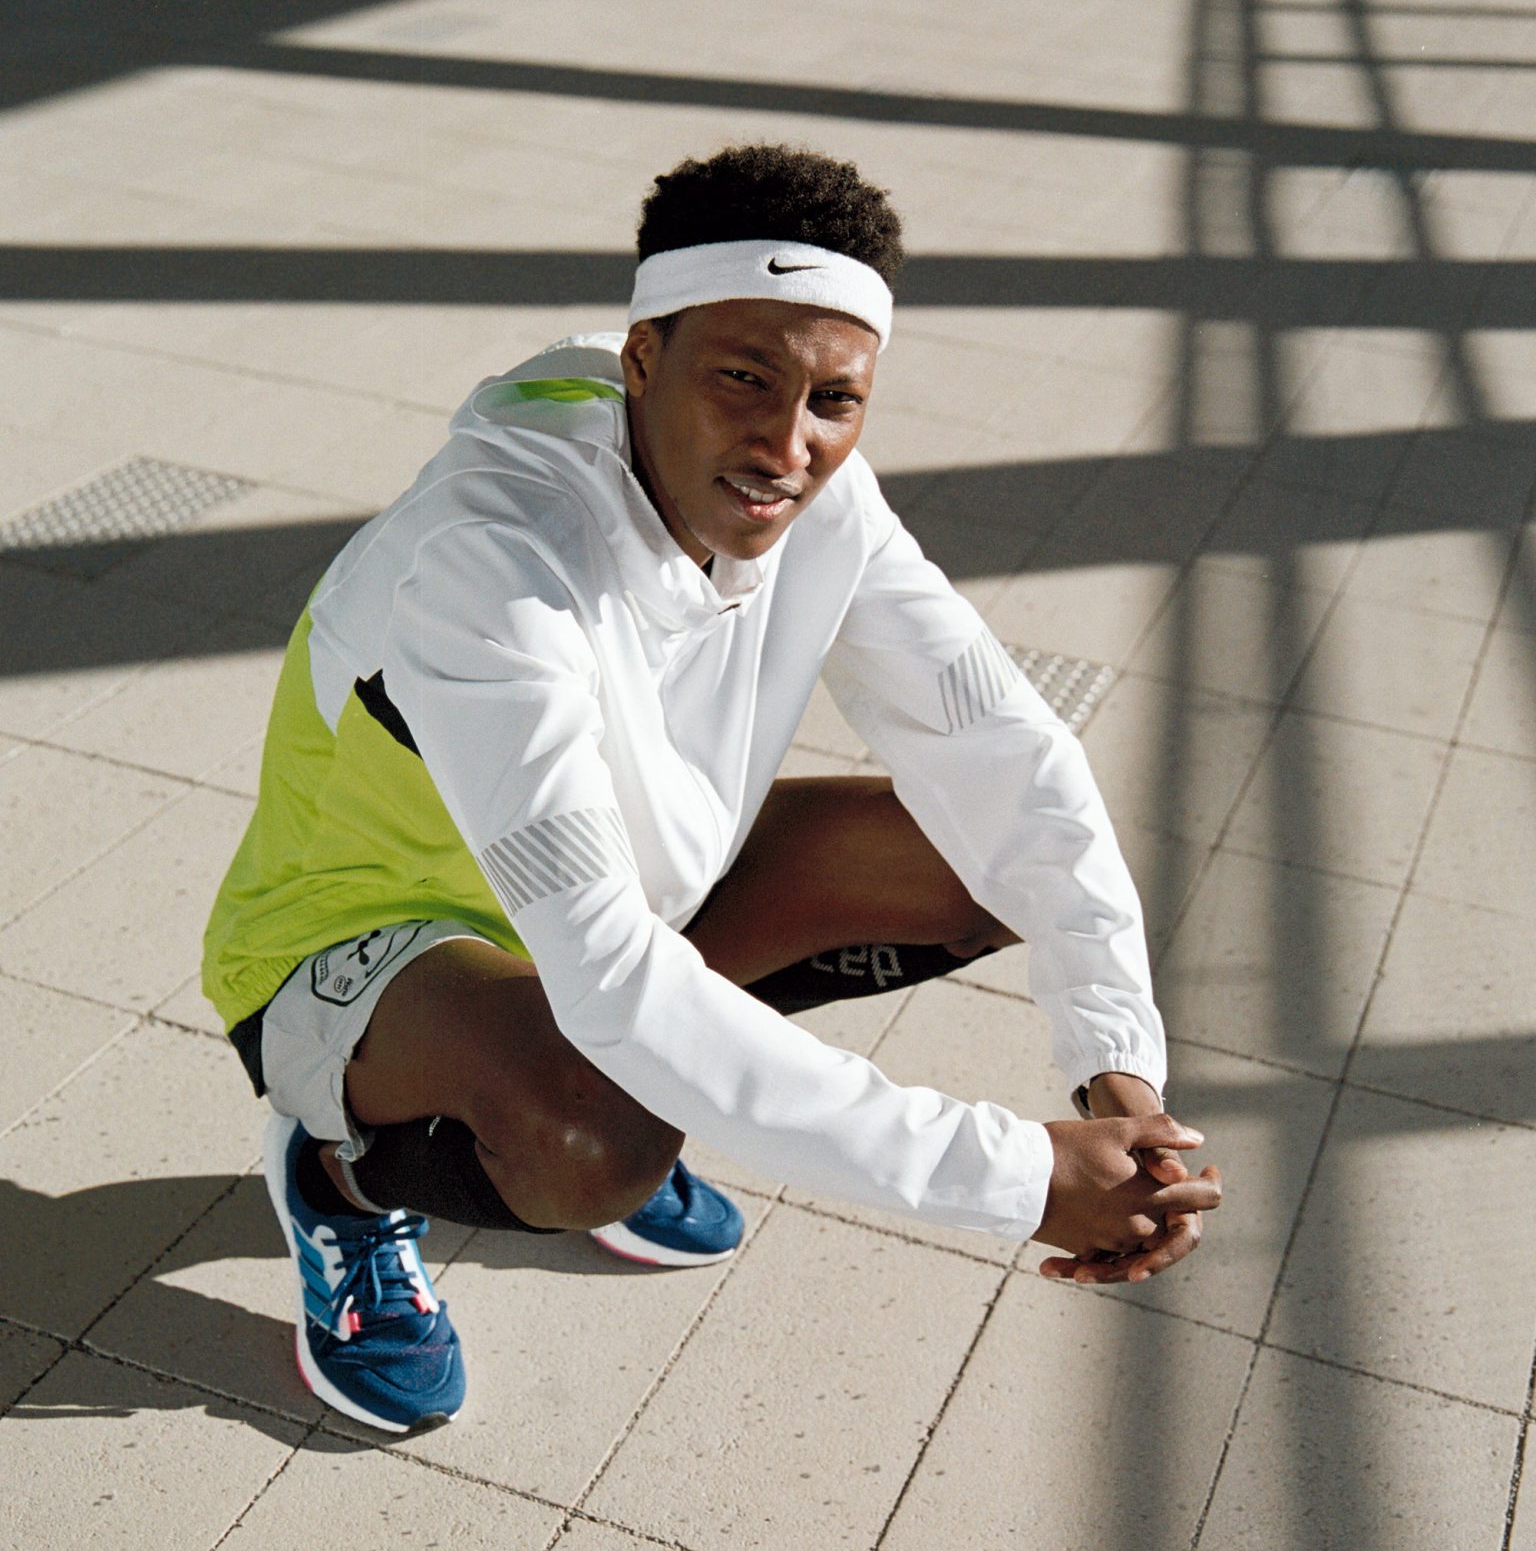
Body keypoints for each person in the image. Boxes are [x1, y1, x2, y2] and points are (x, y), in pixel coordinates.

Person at [203, 143, 1220, 1435]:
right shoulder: (489, 561)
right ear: (644, 358)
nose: (786, 446)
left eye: (834, 401)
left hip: (626, 901)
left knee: (979, 861)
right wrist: (1021, 1179)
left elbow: (1012, 764)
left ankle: (636, 1081)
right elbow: (608, 974)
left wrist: (1120, 1075)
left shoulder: (816, 494)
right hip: (361, 940)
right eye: (743, 377)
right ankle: (342, 1178)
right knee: (594, 1143)